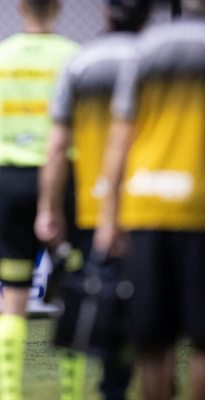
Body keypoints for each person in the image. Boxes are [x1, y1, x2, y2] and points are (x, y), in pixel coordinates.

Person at [34, 2, 151, 399]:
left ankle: (112, 390)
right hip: (158, 201)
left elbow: (57, 145)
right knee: (164, 312)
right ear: (150, 14)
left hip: (96, 205)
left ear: (107, 12)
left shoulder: (80, 63)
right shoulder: (161, 58)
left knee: (109, 299)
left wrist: (49, 208)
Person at [93, 1, 205, 399]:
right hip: (199, 209)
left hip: (146, 206)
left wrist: (109, 218)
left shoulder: (146, 48)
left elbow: (120, 138)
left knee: (153, 340)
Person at [0, 1, 79, 398]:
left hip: (13, 181)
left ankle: (10, 394)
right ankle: (71, 393)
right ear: (59, 6)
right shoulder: (73, 56)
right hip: (65, 180)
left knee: (13, 297)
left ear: (20, 6)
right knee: (73, 294)